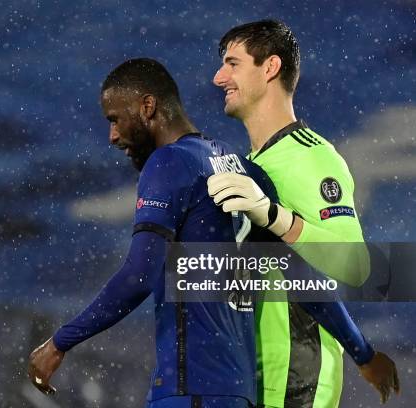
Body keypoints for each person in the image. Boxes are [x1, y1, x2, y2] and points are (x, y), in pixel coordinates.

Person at [28, 57, 276, 408]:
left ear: (148, 107)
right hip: (240, 391)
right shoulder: (244, 169)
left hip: (191, 390)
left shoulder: (170, 162)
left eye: (115, 119)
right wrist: (359, 350)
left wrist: (59, 343)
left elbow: (138, 275)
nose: (112, 135)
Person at [207, 20, 400, 407]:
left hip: (298, 381)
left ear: (270, 67)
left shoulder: (311, 157)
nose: (217, 77)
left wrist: (274, 216)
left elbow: (355, 265)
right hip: (256, 380)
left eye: (232, 63)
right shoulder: (253, 165)